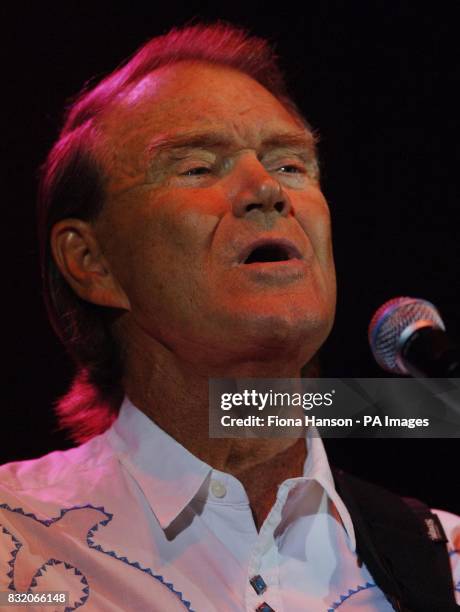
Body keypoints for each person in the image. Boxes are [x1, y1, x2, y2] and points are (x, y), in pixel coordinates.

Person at [0, 22, 458, 612]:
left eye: (292, 165)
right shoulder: (17, 541)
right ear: (93, 263)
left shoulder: (441, 562)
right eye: (196, 167)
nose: (267, 190)